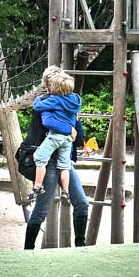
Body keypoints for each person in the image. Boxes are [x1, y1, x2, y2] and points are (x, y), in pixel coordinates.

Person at [24, 66, 89, 249]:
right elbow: (46, 123)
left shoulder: (70, 102)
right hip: (49, 161)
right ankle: (28, 250)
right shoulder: (46, 102)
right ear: (49, 85)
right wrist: (69, 129)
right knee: (42, 209)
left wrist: (75, 123)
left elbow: (79, 136)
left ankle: (80, 246)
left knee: (82, 203)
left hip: (63, 159)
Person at [30, 71, 82, 203]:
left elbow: (38, 107)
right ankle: (65, 191)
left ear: (54, 88)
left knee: (39, 157)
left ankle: (37, 187)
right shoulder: (75, 100)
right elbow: (78, 131)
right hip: (68, 139)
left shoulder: (53, 100)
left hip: (56, 137)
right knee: (64, 165)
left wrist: (38, 98)